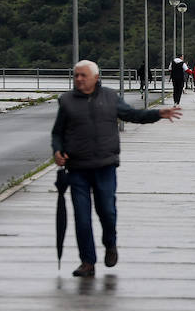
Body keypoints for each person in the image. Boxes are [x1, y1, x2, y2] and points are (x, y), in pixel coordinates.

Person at [52, 60, 181, 277]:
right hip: (77, 168)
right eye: (76, 75)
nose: (79, 79)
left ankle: (110, 244)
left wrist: (158, 113)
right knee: (82, 217)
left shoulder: (110, 98)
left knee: (108, 212)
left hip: (105, 166)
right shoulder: (66, 101)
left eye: (83, 75)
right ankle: (87, 262)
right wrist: (57, 151)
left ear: (96, 77)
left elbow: (133, 115)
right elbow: (57, 132)